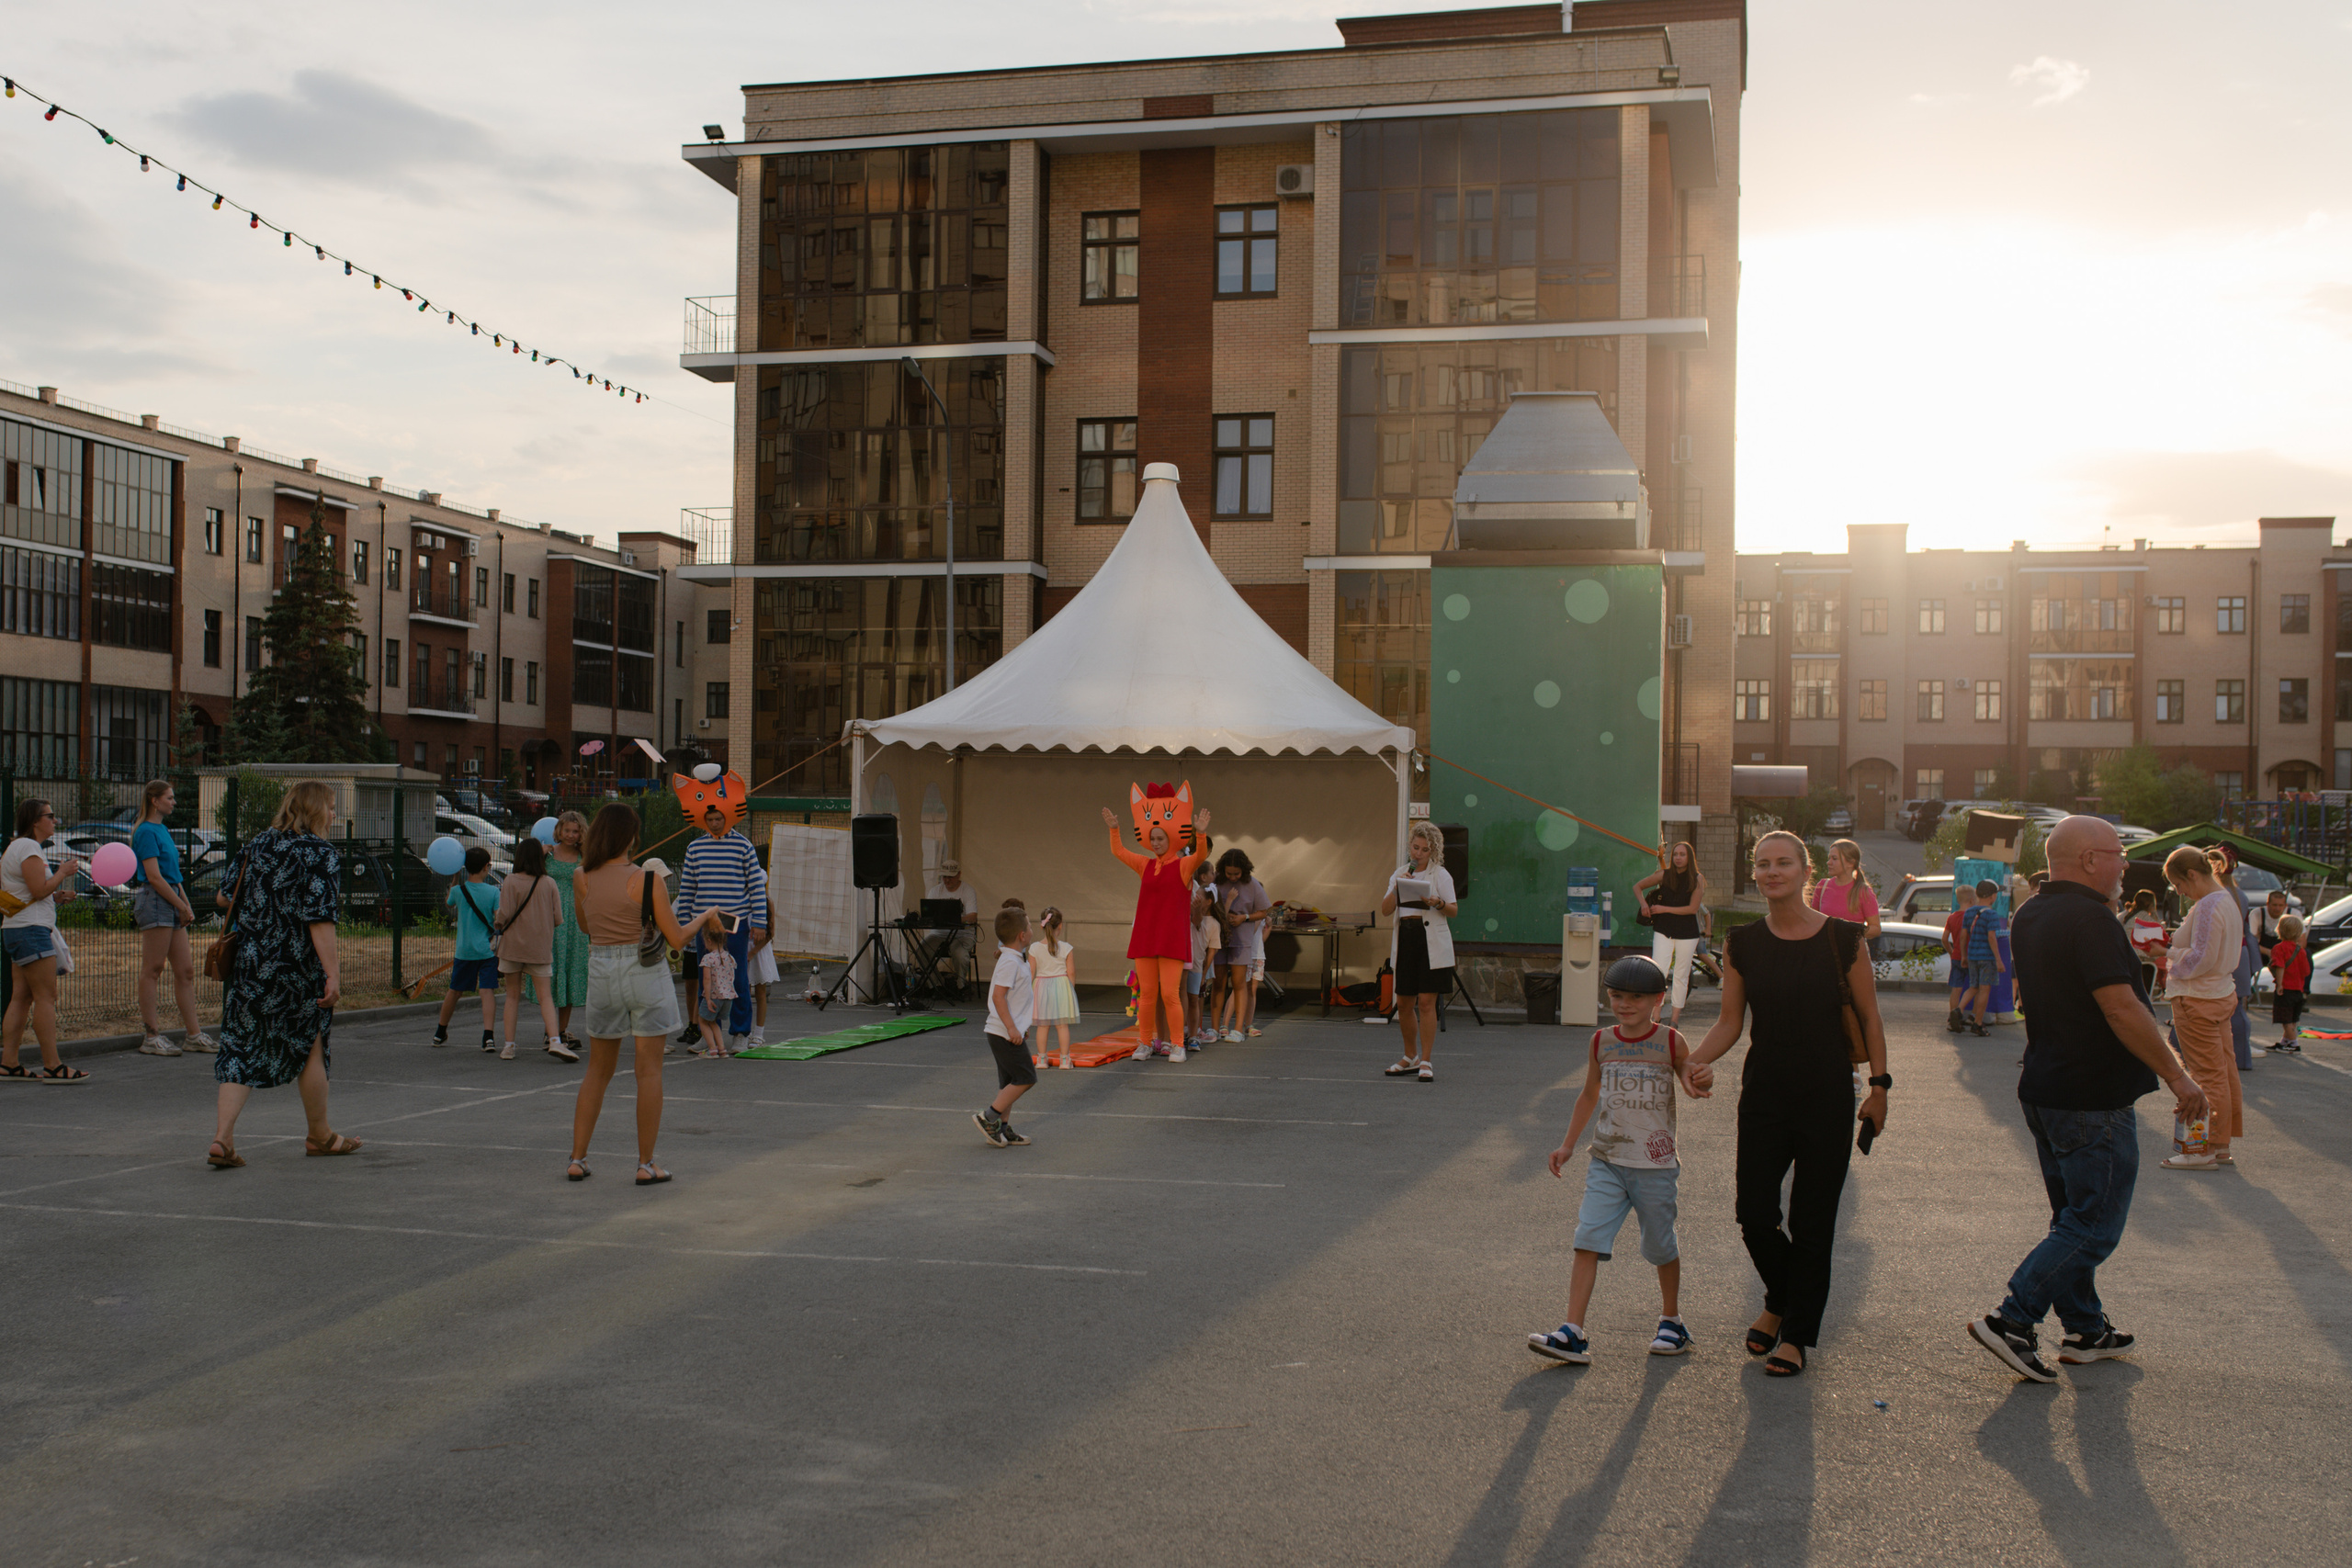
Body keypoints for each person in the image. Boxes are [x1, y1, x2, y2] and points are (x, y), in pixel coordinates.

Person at [1967, 816, 2211, 1382]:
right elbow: (2121, 1008)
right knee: (2093, 1225)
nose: (2125, 864)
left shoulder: (2032, 912)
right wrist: (2179, 1079)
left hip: (2047, 1088)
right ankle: (2012, 1320)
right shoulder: (2092, 919)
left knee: (2071, 1219)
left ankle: (2084, 1328)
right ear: (2088, 859)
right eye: (2118, 852)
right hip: (2090, 1097)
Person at [1683, 829, 1888, 1378]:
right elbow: (1730, 1021)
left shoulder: (1843, 938)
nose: (1771, 872)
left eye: (1783, 863)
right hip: (1765, 1094)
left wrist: (1880, 1087)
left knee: (1812, 1222)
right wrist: (1691, 1062)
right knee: (1754, 1215)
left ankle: (1796, 1334)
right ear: (1755, 874)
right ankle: (1780, 1297)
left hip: (1827, 1095)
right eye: (1763, 864)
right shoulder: (1743, 942)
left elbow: (1870, 1017)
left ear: (1804, 871)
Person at [1528, 955, 1697, 1365]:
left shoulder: (1671, 1041)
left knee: (1660, 1245)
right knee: (1587, 1238)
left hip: (1655, 1165)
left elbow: (1689, 1079)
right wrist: (1568, 1145)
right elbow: (1590, 1093)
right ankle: (1572, 1332)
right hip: (1606, 1160)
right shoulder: (1601, 1041)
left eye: (1637, 997)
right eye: (1617, 995)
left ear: (1658, 999)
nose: (1625, 1004)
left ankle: (1671, 1321)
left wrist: (1698, 1080)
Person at [565, 803, 727, 1184]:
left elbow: (586, 927)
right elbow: (677, 938)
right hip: (644, 972)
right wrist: (706, 916)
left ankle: (577, 1158)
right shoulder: (648, 879)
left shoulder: (580, 876)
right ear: (631, 837)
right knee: (648, 1071)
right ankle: (645, 1163)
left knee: (597, 1070)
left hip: (602, 969)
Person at [208, 782, 358, 1167]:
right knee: (310, 1045)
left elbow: (224, 896)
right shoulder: (320, 852)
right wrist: (333, 974)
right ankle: (320, 1135)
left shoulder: (257, 843)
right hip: (297, 968)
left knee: (240, 1045)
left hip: (251, 964)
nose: (334, 815)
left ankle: (223, 1138)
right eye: (331, 807)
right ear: (315, 810)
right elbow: (319, 918)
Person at [1103, 785, 1213, 1064]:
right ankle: (1144, 1043)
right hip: (1146, 938)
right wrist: (1114, 829)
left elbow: (1200, 856)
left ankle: (1177, 1045)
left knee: (1170, 995)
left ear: (1171, 837)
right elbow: (1119, 851)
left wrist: (1200, 833)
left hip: (1171, 939)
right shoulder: (1145, 865)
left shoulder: (1184, 866)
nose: (1155, 842)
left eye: (1160, 838)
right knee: (1148, 995)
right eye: (1152, 838)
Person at [2160, 845, 2244, 1170]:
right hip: (2219, 993)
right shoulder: (2226, 898)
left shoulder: (2208, 904)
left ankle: (2200, 1148)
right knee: (2223, 1071)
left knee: (2206, 1077)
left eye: (2179, 884)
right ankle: (2219, 1145)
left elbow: (2201, 958)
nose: (2180, 891)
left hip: (2198, 998)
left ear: (2192, 875)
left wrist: (2166, 955)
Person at [0, 800, 85, 1083]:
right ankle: (53, 1066)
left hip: (18, 928)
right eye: (50, 816)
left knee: (21, 997)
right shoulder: (28, 847)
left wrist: (56, 896)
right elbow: (37, 890)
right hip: (32, 930)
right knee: (46, 998)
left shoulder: (17, 847)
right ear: (35, 821)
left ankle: (9, 1063)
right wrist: (62, 872)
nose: (55, 821)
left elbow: (31, 892)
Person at [131, 778, 215, 1055]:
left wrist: (185, 905)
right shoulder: (145, 831)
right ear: (154, 801)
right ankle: (151, 1036)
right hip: (156, 901)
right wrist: (180, 905)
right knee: (153, 969)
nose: (174, 802)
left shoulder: (163, 830)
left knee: (185, 971)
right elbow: (154, 877)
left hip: (171, 900)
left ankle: (194, 1035)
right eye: (169, 798)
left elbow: (173, 876)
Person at [678, 805, 768, 1053]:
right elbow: (687, 888)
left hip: (734, 921)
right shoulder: (694, 848)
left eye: (718, 818)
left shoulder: (744, 846)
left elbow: (756, 887)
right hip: (704, 922)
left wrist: (759, 922)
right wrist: (684, 925)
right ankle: (707, 1031)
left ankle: (740, 1033)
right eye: (710, 819)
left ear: (727, 818)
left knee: (737, 978)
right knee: (706, 978)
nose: (714, 823)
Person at [1379, 820, 1459, 1083]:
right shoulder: (1400, 873)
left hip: (1430, 940)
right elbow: (1385, 910)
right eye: (1415, 847)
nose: (1419, 853)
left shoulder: (1441, 875)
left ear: (1433, 851)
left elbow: (1453, 910)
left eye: (1425, 850)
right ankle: (1409, 1056)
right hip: (1407, 939)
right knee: (1404, 1002)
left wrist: (1438, 903)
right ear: (1410, 846)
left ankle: (1426, 1060)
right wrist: (1398, 886)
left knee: (1426, 1002)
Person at [524, 809, 589, 1056]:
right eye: (567, 830)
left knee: (572, 971)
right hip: (549, 919)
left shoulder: (585, 857)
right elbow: (526, 877)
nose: (571, 835)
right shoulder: (547, 854)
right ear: (558, 830)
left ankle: (560, 1031)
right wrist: (538, 856)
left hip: (575, 922)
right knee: (549, 974)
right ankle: (550, 1032)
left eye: (575, 831)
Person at [495, 836, 564, 1061]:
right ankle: (555, 1041)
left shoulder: (510, 881)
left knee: (512, 996)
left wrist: (498, 923)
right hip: (539, 948)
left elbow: (504, 914)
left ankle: (509, 1046)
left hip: (512, 947)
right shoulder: (549, 883)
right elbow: (558, 918)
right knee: (546, 997)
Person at [976, 907, 1037, 1146]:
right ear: (1022, 935)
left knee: (1009, 1082)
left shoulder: (1015, 959)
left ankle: (1002, 1128)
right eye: (1029, 926)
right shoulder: (1010, 961)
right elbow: (998, 997)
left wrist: (1021, 1025)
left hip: (1008, 1031)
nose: (1032, 929)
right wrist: (1012, 1028)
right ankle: (988, 1117)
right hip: (1002, 1032)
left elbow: (1016, 999)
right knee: (1026, 1077)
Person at [434, 846, 502, 1051]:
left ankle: (440, 1032)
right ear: (485, 867)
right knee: (487, 992)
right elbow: (498, 920)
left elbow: (449, 904)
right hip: (487, 951)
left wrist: (455, 879)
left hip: (464, 951)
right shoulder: (493, 892)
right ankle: (488, 1037)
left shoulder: (458, 891)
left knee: (454, 991)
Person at [1634, 840, 1710, 1027]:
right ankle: (1656, 1016)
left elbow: (1692, 909)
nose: (1678, 858)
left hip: (1687, 932)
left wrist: (1664, 909)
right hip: (1663, 930)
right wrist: (1644, 905)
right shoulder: (1665, 875)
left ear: (1689, 857)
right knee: (1659, 971)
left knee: (1681, 975)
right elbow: (1638, 887)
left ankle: (1675, 1019)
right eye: (1675, 854)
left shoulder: (1697, 879)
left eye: (1682, 854)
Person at [2208, 849, 2260, 1070]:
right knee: (2237, 1008)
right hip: (2242, 953)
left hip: (2223, 954)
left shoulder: (2216, 895)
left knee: (2217, 1008)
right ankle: (2241, 1056)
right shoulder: (2241, 895)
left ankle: (2226, 1057)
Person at [1216, 846, 1271, 1043]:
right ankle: (1216, 1027)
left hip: (1242, 941)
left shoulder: (1253, 884)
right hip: (1219, 940)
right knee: (1218, 983)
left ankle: (1238, 1029)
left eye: (1236, 874)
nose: (1232, 877)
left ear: (1244, 870)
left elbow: (1264, 911)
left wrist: (1244, 917)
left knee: (1240, 984)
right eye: (1228, 873)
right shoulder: (1216, 882)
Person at [1808, 837, 1880, 958]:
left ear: (1850, 863)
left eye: (1834, 858)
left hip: (1852, 955)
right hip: (1824, 954)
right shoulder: (1823, 886)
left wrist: (1851, 932)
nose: (1829, 862)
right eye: (1829, 858)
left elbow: (1876, 929)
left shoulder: (1863, 892)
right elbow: (1812, 921)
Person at [1027, 905, 1078, 1069]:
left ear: (1042, 925)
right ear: (1060, 925)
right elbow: (1071, 972)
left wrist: (1027, 992)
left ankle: (1042, 1059)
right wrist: (1071, 990)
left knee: (1043, 1025)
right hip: (1061, 985)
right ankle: (1065, 1060)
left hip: (1041, 986)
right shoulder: (1066, 947)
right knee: (1062, 1025)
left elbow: (1031, 972)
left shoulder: (1034, 948)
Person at [1958, 878, 2008, 1037]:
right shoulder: (1992, 914)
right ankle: (1978, 1023)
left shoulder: (1969, 912)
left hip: (1972, 955)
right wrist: (1998, 960)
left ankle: (1957, 1011)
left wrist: (1964, 955)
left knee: (1973, 986)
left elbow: (1963, 936)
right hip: (1987, 957)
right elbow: (1992, 937)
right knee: (1985, 989)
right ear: (1992, 896)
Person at [927, 855, 980, 987]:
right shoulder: (935, 891)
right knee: (921, 952)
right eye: (944, 877)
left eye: (950, 877)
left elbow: (972, 916)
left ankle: (960, 986)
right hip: (938, 934)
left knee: (960, 955)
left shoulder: (968, 890)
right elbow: (928, 915)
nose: (947, 880)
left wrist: (950, 920)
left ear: (959, 875)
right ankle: (937, 984)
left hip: (963, 935)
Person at [2268, 913, 2310, 1055]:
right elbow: (2306, 971)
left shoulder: (2279, 948)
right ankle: (2285, 1041)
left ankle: (2294, 1044)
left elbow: (2280, 966)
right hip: (2298, 990)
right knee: (2292, 1019)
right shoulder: (2301, 951)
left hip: (2286, 988)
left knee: (2285, 1019)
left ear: (2280, 930)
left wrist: (2280, 984)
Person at [695, 932, 739, 1058]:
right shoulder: (730, 957)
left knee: (703, 1021)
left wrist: (708, 998)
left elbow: (707, 979)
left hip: (715, 995)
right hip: (728, 997)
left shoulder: (708, 958)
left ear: (709, 940)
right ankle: (722, 1049)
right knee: (713, 1022)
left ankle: (712, 1049)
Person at [2123, 889, 2170, 998]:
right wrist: (2154, 913)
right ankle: (2167, 990)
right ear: (2150, 903)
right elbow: (2160, 930)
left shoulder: (2132, 915)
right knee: (2168, 962)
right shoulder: (2143, 915)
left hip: (2133, 952)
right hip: (2141, 953)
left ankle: (2162, 990)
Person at [747, 895, 778, 1049]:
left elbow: (771, 932)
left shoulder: (767, 901)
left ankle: (759, 1034)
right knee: (743, 993)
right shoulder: (741, 897)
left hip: (759, 950)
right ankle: (744, 1032)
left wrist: (753, 952)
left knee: (760, 993)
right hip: (744, 948)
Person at [1943, 892, 1972, 1032]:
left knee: (1956, 989)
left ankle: (1952, 1016)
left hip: (1956, 956)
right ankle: (1972, 1016)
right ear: (1971, 900)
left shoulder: (1952, 917)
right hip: (1970, 957)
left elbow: (1944, 939)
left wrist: (1951, 951)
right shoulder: (1971, 917)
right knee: (1976, 987)